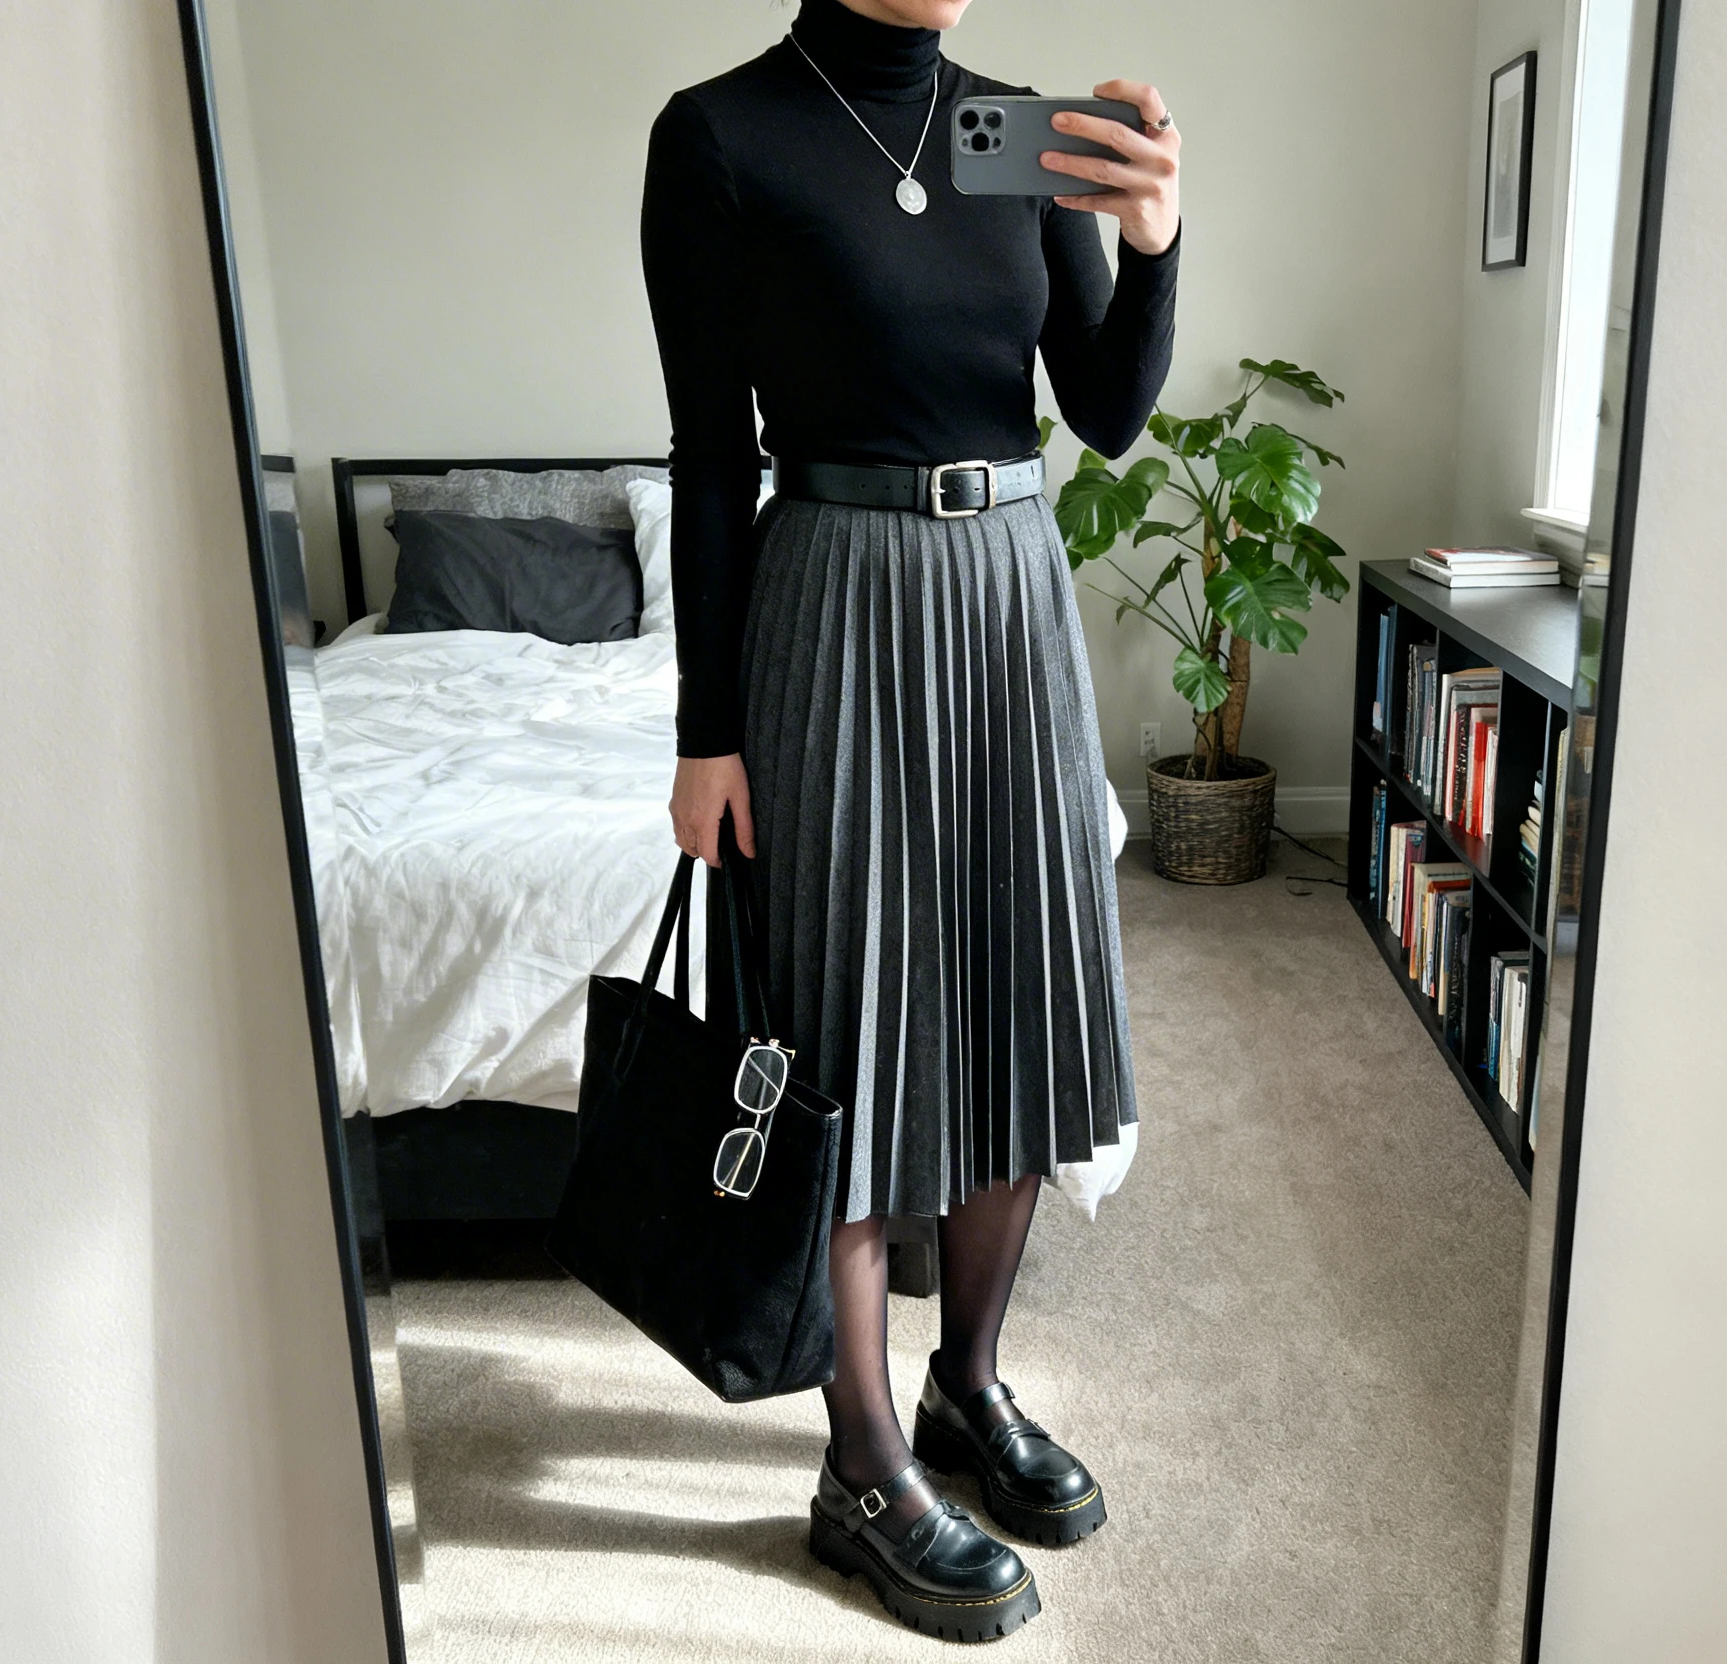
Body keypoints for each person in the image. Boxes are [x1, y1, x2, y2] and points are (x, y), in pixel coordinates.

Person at [643, 0, 1180, 1640]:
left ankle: (968, 1384)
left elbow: (1104, 407)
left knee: (1016, 1003)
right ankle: (862, 1465)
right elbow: (709, 455)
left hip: (1012, 601)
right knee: (849, 1035)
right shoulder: (721, 138)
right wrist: (709, 734)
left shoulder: (1014, 132)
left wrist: (1154, 243)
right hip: (836, 604)